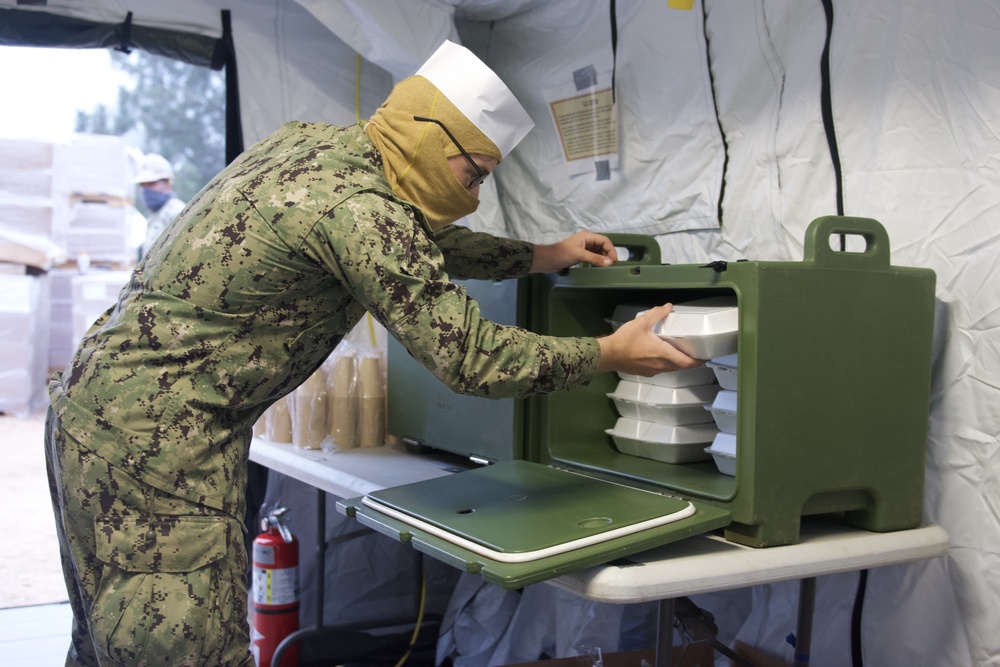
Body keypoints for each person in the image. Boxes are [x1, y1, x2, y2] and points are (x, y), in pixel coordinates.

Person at [45, 40, 702, 666]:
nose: (473, 196)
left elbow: (412, 242)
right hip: (160, 451)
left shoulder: (316, 147)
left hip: (91, 412)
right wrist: (610, 351)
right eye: (472, 175)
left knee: (106, 642)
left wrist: (541, 256)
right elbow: (468, 355)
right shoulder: (363, 210)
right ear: (430, 136)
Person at [133, 152, 186, 257]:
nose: (145, 189)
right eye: (142, 185)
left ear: (167, 183)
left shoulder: (178, 213)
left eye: (151, 183)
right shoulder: (154, 218)